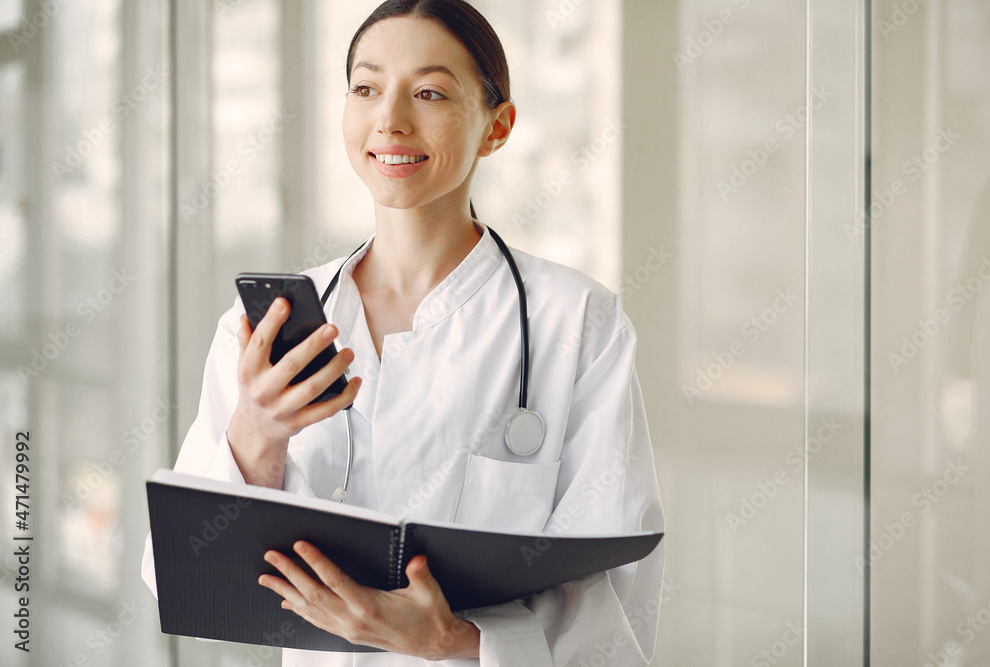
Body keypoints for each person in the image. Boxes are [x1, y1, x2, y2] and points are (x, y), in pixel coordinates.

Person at [141, 0, 665, 664]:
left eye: (429, 92)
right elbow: (176, 576)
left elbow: (618, 593)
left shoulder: (576, 322)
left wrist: (449, 640)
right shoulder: (264, 332)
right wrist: (256, 433)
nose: (389, 119)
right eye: (366, 88)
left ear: (497, 126)